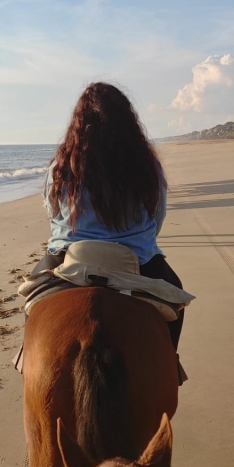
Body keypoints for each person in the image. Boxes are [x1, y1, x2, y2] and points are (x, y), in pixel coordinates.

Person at [42, 81, 185, 350]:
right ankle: (171, 362)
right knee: (176, 295)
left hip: (70, 255)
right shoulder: (146, 164)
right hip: (136, 258)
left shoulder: (60, 166)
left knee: (31, 300)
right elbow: (157, 216)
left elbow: (53, 213)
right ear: (127, 120)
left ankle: (27, 361)